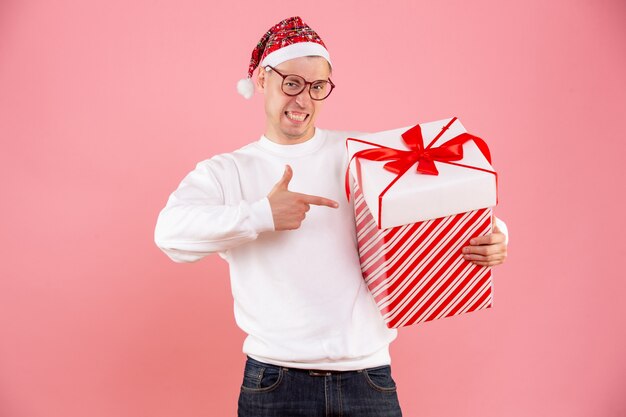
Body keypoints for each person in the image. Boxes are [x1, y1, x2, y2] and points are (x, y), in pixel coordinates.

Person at [154, 16, 508, 417]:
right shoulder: (228, 171)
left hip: (368, 379)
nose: (303, 100)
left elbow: (432, 200)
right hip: (274, 383)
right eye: (291, 83)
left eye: (317, 87)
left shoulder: (361, 154)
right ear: (261, 82)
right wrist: (262, 214)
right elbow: (170, 235)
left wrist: (494, 236)